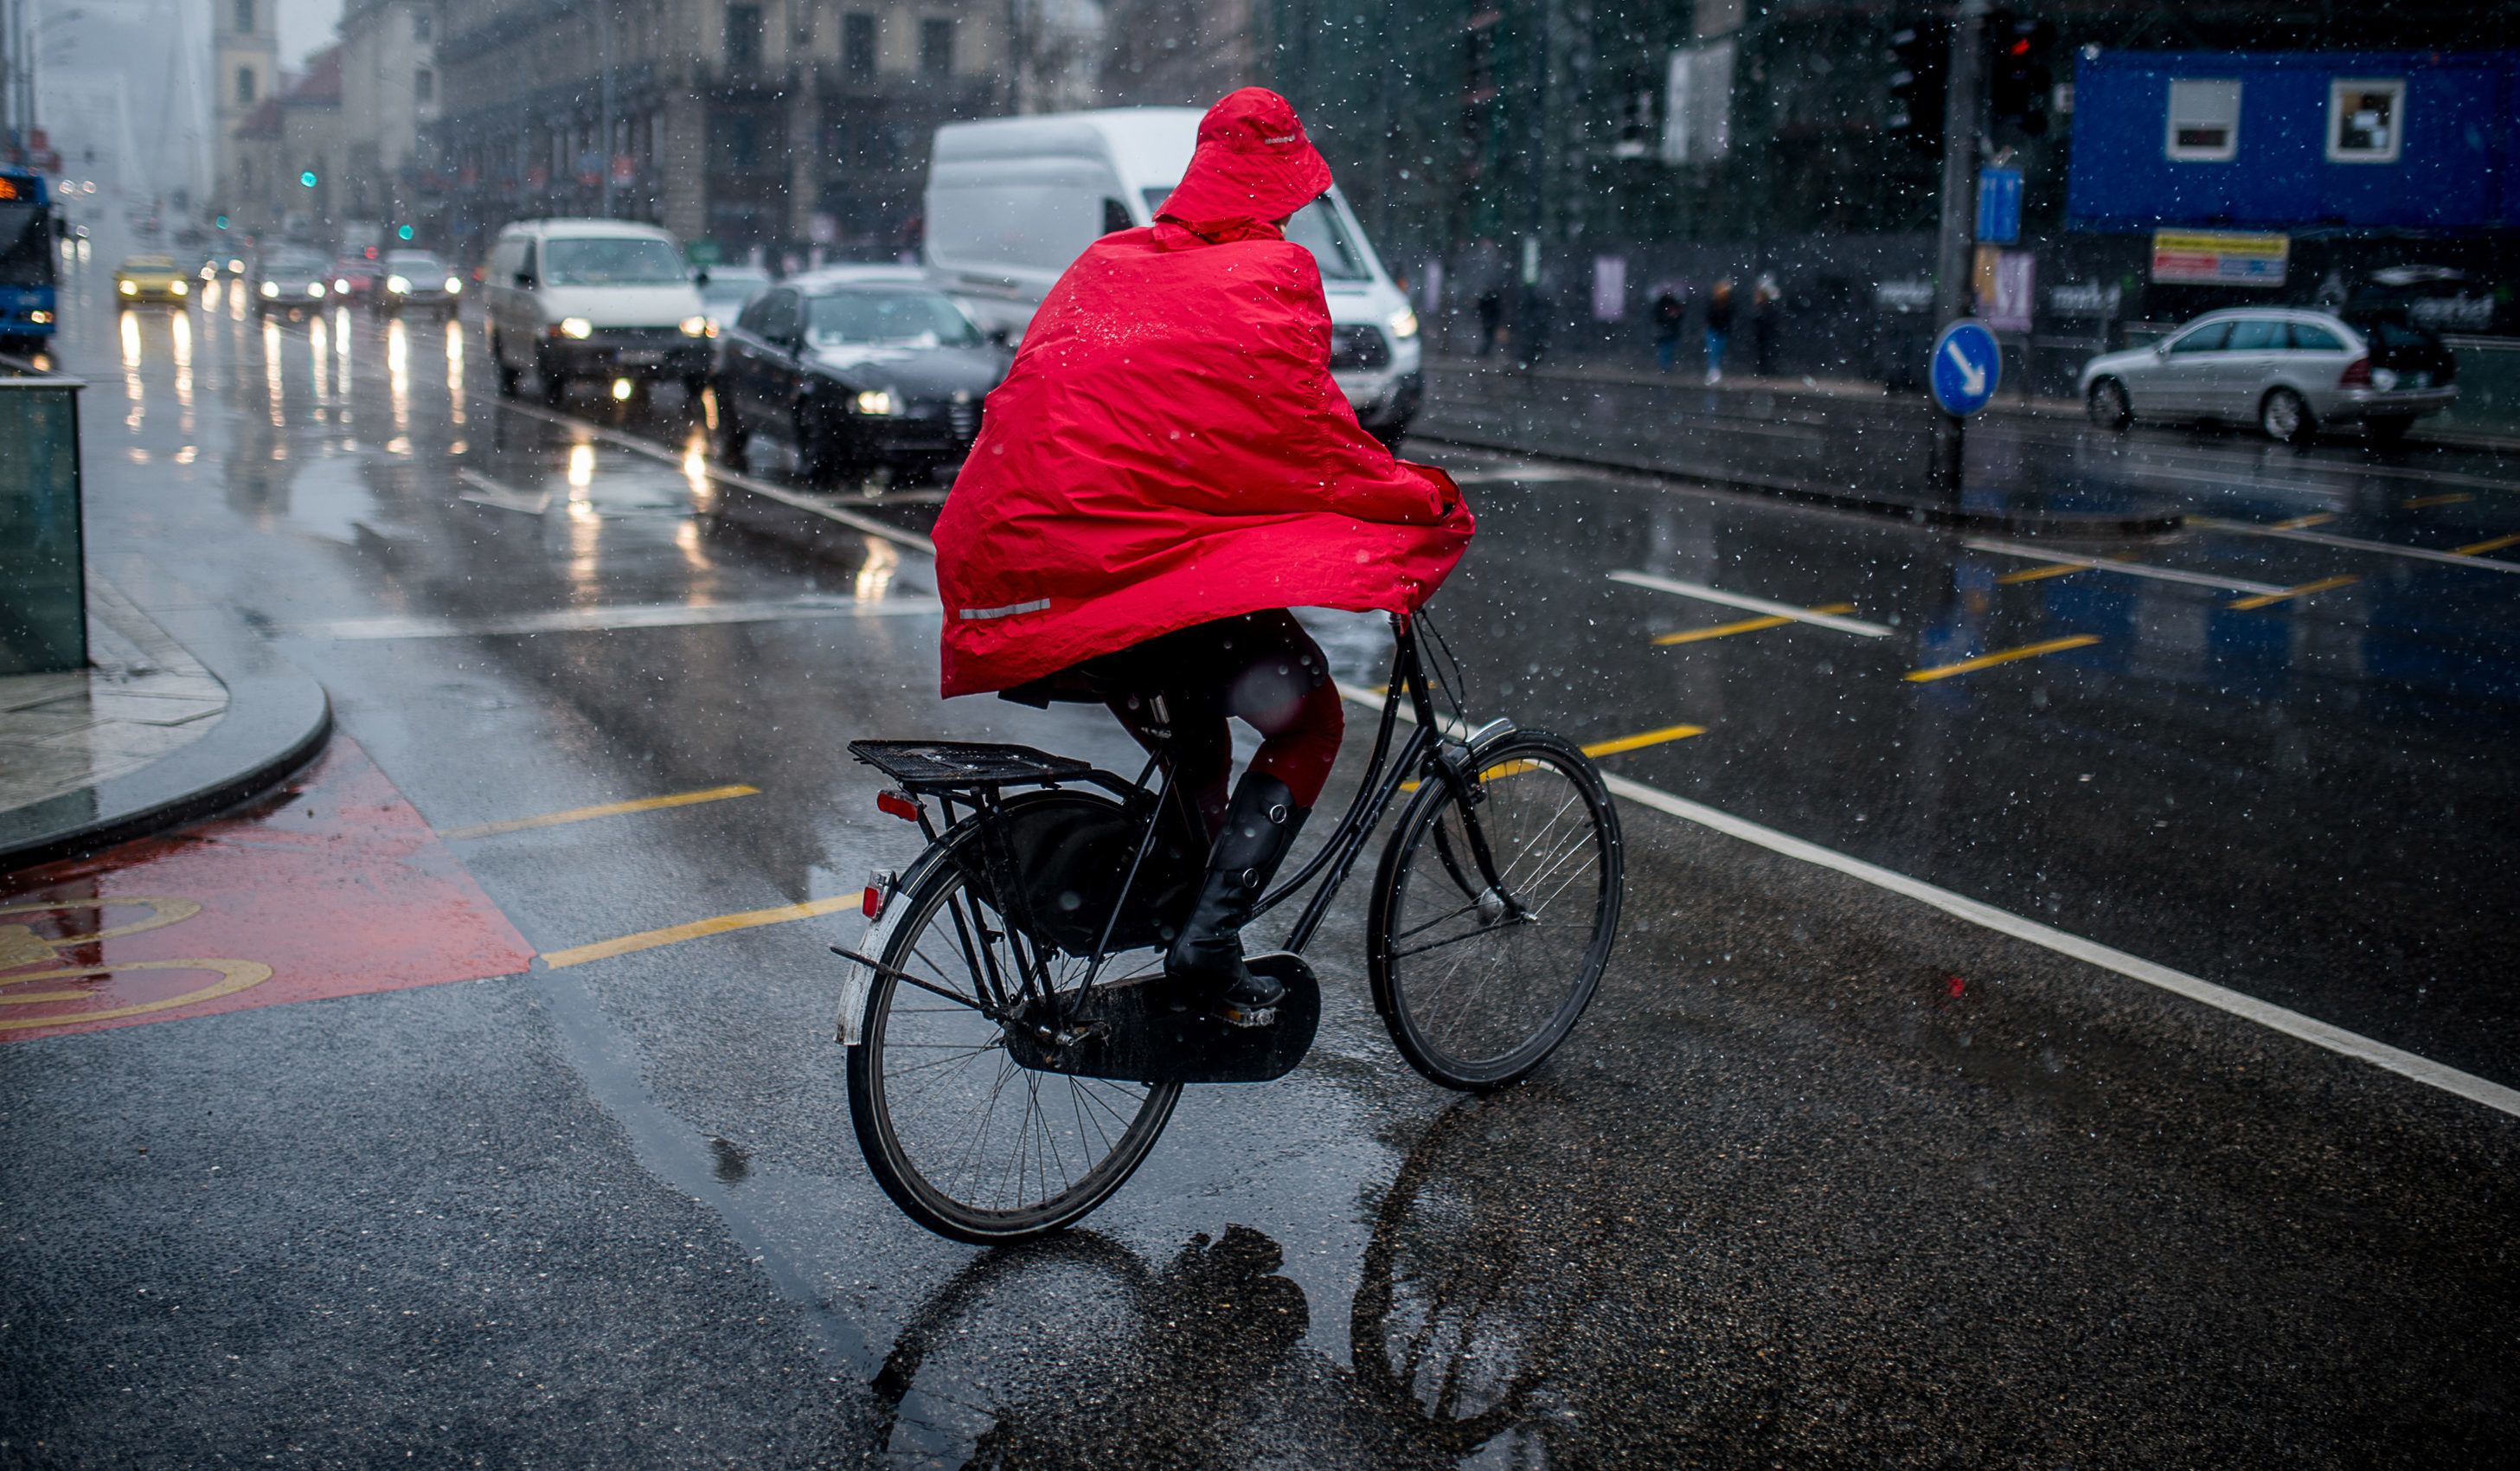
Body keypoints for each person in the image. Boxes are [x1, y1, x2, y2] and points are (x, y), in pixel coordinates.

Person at [933, 88, 1475, 1025]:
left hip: (1038, 580)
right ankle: (1209, 943)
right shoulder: (1272, 273)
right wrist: (1416, 499)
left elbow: (1094, 421)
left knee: (1200, 723)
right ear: (1282, 186)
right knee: (1307, 724)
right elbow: (1305, 438)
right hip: (1125, 577)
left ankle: (1186, 902)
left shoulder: (1109, 264)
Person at [1703, 277, 1735, 384]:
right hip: (1714, 330)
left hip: (1721, 330)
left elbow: (1729, 317)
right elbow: (1709, 316)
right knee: (1713, 351)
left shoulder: (1728, 303)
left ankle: (1715, 370)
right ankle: (1713, 370)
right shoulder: (1713, 302)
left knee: (1718, 351)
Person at [1751, 273, 1780, 377]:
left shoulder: (1766, 304)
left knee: (1766, 351)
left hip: (1765, 331)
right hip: (1764, 332)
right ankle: (1765, 371)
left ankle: (1766, 371)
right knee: (1764, 352)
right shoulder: (1764, 304)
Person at [1651, 286, 1685, 373]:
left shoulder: (1672, 304)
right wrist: (1669, 317)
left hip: (1669, 331)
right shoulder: (1662, 304)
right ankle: (1665, 367)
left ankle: (1665, 366)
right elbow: (1657, 316)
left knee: (1667, 349)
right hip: (1665, 331)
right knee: (1665, 349)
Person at [1475, 285, 1504, 357]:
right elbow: (1498, 311)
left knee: (1488, 337)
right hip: (1490, 320)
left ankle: (1485, 352)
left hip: (1488, 320)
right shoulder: (1494, 300)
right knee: (1489, 337)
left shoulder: (1487, 299)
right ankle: (1485, 352)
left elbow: (1480, 307)